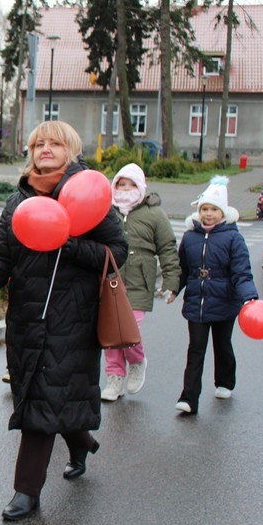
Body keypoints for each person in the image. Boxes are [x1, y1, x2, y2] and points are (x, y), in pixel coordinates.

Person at [0, 121, 127, 521]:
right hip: (25, 316)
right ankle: (80, 442)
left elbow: (117, 251)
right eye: (38, 144)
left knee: (43, 398)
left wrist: (67, 242)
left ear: (72, 150)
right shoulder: (17, 200)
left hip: (73, 318)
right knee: (45, 394)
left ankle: (26, 491)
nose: (45, 149)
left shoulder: (88, 195)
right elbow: (1, 256)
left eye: (55, 143)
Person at [168, 177, 257, 414]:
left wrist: (249, 297)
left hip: (225, 302)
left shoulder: (233, 238)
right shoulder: (190, 237)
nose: (208, 214)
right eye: (204, 209)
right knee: (195, 349)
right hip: (196, 303)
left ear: (222, 212)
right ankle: (188, 399)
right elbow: (183, 268)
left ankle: (225, 381)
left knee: (222, 344)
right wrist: (174, 289)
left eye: (213, 209)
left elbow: (241, 272)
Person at [100, 163, 180, 402]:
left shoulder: (154, 214)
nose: (125, 189)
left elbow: (167, 247)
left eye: (131, 184)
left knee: (129, 329)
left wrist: (171, 281)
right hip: (111, 280)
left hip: (139, 281)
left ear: (141, 187)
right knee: (111, 332)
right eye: (121, 184)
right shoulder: (106, 210)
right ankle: (114, 377)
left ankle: (137, 361)